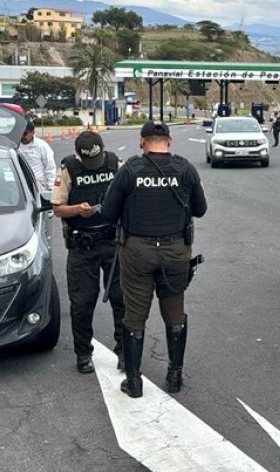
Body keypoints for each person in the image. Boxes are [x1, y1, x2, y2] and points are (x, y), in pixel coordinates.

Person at [100, 121, 207, 398]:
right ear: (169, 141)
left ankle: (134, 383)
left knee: (134, 315)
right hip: (175, 251)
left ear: (141, 141)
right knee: (174, 312)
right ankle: (174, 376)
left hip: (137, 251)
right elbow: (200, 209)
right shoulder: (185, 169)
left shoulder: (130, 171)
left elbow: (108, 213)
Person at [51, 131, 125, 374]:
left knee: (121, 299)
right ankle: (83, 353)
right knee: (82, 303)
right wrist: (76, 209)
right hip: (83, 245)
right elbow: (58, 208)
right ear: (78, 155)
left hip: (113, 242)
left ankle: (125, 350)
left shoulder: (115, 163)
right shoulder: (69, 168)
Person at [18, 120, 56, 192]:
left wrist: (51, 187)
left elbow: (50, 167)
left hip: (38, 186)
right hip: (20, 185)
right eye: (21, 133)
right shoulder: (15, 146)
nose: (22, 136)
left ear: (32, 133)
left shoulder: (42, 146)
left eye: (25, 133)